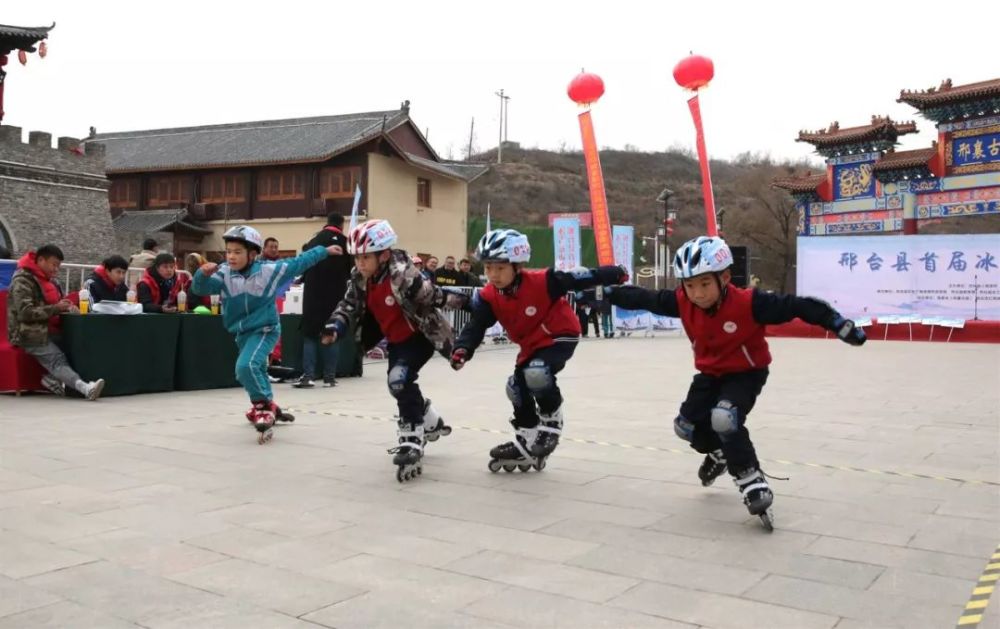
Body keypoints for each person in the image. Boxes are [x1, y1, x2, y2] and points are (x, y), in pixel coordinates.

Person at [601, 235, 866, 528]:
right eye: (689, 286)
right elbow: (644, 298)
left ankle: (751, 479)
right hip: (709, 376)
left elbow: (799, 306)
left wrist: (838, 323)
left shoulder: (751, 303)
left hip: (746, 373)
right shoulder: (682, 301)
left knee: (724, 418)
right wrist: (607, 293)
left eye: (704, 284)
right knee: (685, 428)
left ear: (724, 277)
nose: (697, 294)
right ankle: (719, 453)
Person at [450, 229, 628, 472]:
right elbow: (477, 324)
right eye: (488, 268)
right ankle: (528, 439)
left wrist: (614, 273)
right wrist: (462, 348)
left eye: (500, 268)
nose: (493, 275)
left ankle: (551, 420)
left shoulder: (544, 281)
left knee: (537, 373)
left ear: (517, 265)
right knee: (515, 387)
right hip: (531, 345)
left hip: (559, 335)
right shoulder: (490, 295)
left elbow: (580, 277)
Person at [322, 219, 464, 481]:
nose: (360, 264)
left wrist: (468, 302)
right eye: (357, 258)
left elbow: (434, 295)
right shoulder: (360, 277)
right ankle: (430, 421)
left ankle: (412, 435)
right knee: (397, 384)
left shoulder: (403, 276)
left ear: (384, 254)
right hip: (397, 340)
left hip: (420, 335)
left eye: (366, 257)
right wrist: (335, 326)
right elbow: (349, 304)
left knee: (399, 379)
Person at [192, 225, 338, 444]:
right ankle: (269, 405)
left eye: (237, 252)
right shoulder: (224, 273)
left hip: (265, 329)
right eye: (229, 251)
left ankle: (262, 407)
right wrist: (201, 275)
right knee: (257, 369)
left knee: (245, 367)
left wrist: (324, 251)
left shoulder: (269, 271)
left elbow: (299, 262)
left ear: (253, 254)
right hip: (242, 332)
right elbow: (201, 289)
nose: (231, 256)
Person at [7, 244, 105, 400]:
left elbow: (55, 303)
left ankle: (52, 379)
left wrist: (66, 306)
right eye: (54, 264)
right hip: (29, 333)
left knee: (79, 343)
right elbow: (25, 312)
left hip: (50, 328)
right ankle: (85, 388)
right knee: (56, 359)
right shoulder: (22, 281)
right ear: (41, 260)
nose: (56, 269)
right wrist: (56, 308)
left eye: (58, 266)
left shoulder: (50, 281)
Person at [295, 213, 351, 388]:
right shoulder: (346, 242)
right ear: (342, 224)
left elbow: (303, 264)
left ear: (327, 223)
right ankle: (329, 377)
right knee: (331, 333)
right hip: (336, 295)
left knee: (310, 335)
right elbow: (352, 269)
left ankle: (309, 376)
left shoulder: (314, 241)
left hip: (313, 294)